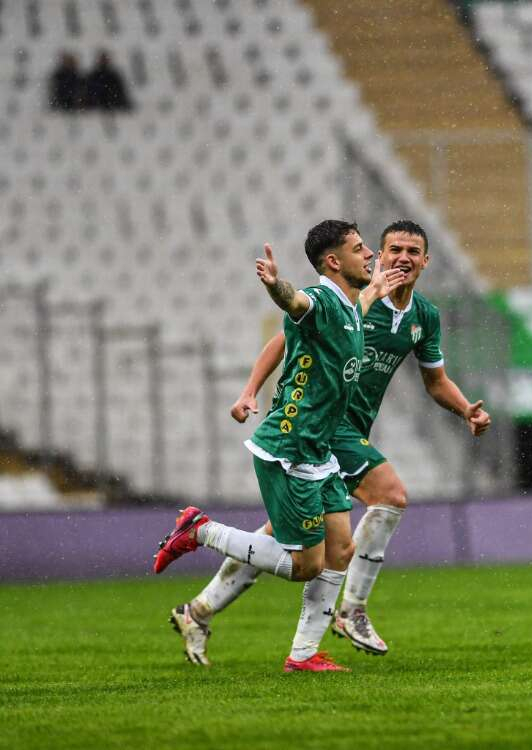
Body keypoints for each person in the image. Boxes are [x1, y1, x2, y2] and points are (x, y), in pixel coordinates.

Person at [170, 220, 491, 665]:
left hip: (349, 430)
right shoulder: (349, 300)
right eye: (393, 250)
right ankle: (352, 609)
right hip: (327, 429)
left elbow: (435, 381)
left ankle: (200, 611)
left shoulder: (423, 316)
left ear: (425, 261)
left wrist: (465, 410)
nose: (402, 258)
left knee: (292, 539)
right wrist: (249, 390)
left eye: (413, 252)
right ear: (378, 255)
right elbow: (285, 336)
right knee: (390, 495)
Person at [153, 220, 404, 672]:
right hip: (290, 448)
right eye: (359, 248)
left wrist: (374, 291)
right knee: (305, 565)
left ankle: (303, 656)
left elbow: (355, 308)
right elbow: (296, 302)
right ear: (333, 261)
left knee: (340, 552)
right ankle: (200, 530)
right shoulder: (320, 299)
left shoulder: (350, 306)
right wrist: (275, 286)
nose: (370, 253)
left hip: (319, 449)